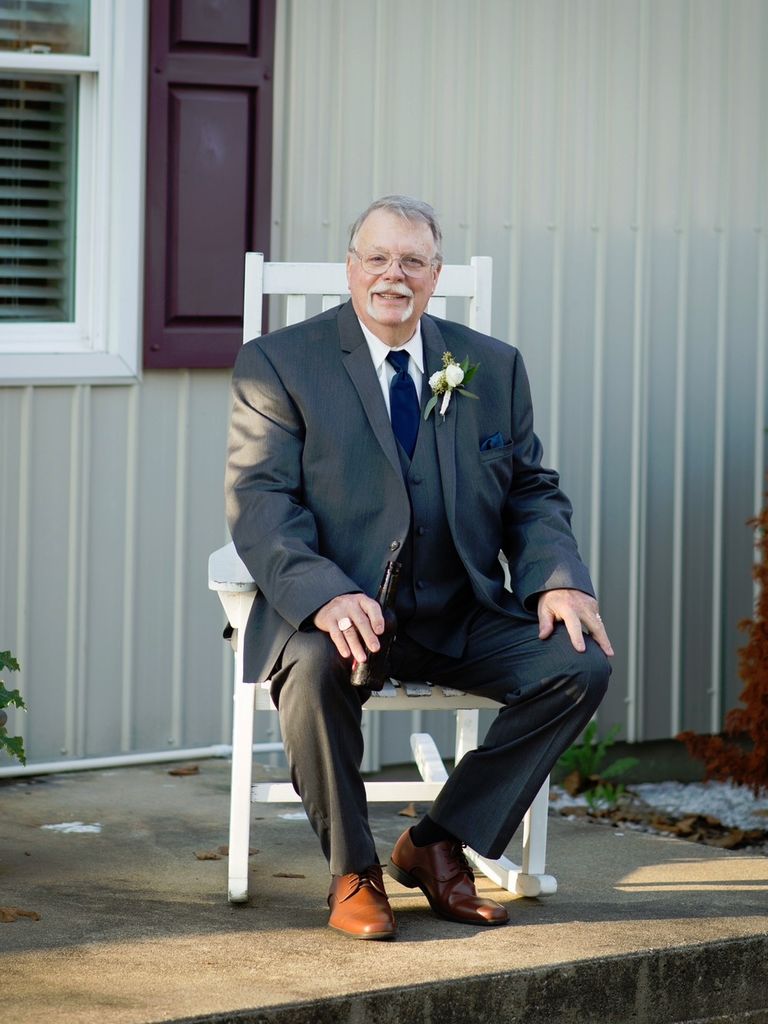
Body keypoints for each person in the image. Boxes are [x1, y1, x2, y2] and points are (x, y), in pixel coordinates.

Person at [225, 195, 612, 940]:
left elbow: (530, 490)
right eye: (376, 257)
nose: (392, 275)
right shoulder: (278, 363)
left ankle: (436, 843)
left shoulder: (492, 366)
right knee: (310, 669)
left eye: (411, 261)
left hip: (458, 608)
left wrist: (557, 577)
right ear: (350, 268)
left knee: (577, 663)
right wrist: (325, 596)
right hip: (338, 614)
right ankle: (353, 871)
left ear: (435, 275)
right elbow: (259, 500)